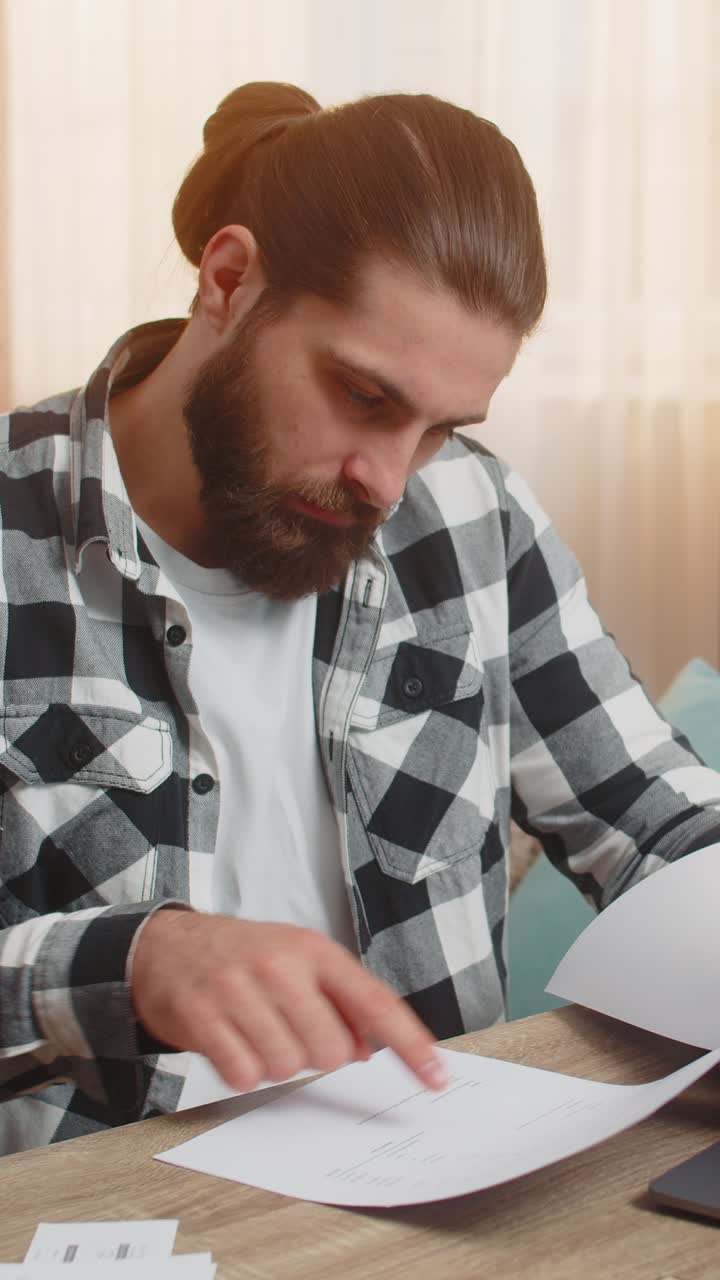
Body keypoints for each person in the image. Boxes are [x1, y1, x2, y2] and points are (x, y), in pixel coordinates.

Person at [1, 81, 719, 1156]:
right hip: (110, 1219)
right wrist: (133, 960)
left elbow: (659, 818)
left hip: (440, 1206)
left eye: (439, 427)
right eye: (365, 396)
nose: (387, 481)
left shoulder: (473, 514)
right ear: (230, 281)